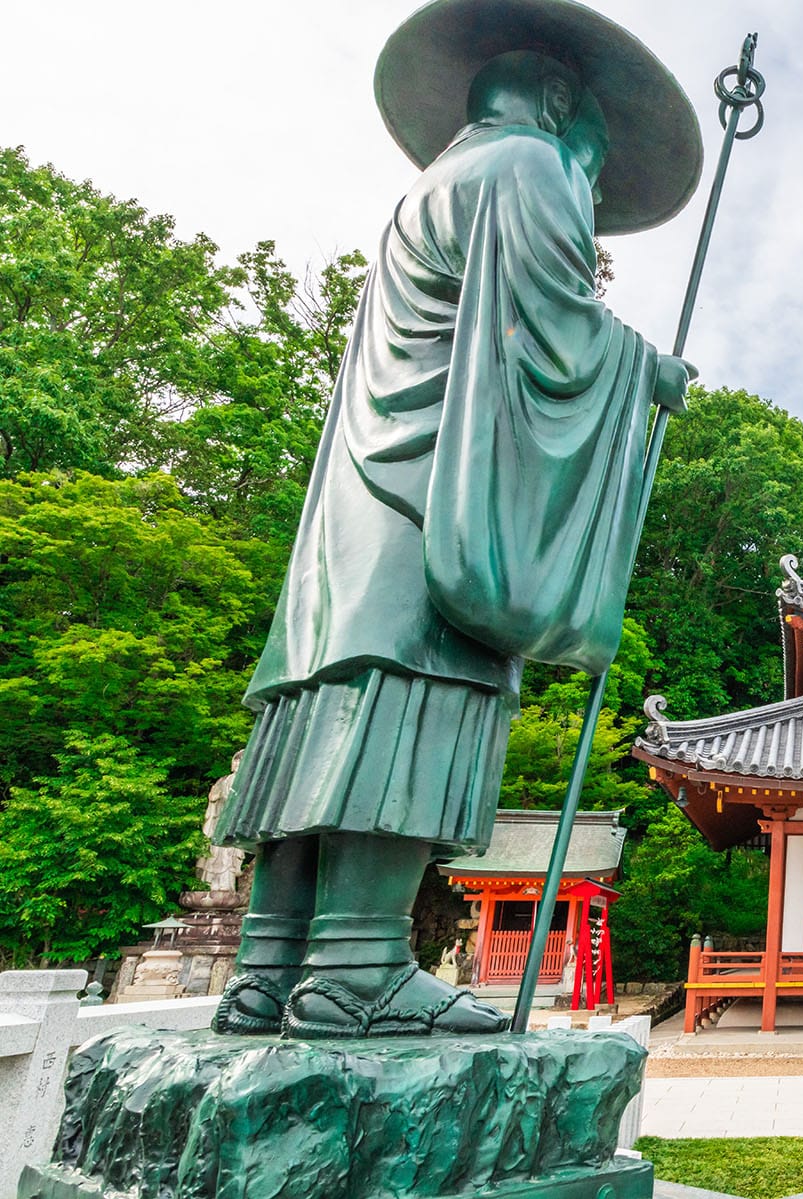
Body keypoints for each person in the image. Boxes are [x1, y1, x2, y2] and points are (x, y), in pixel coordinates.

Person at [212, 1, 701, 1038]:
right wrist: (643, 369)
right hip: (438, 495)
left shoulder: (426, 190)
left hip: (362, 496)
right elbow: (551, 332)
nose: (596, 172)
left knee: (331, 700)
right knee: (414, 692)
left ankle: (270, 963)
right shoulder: (529, 168)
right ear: (560, 105)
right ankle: (354, 965)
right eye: (596, 149)